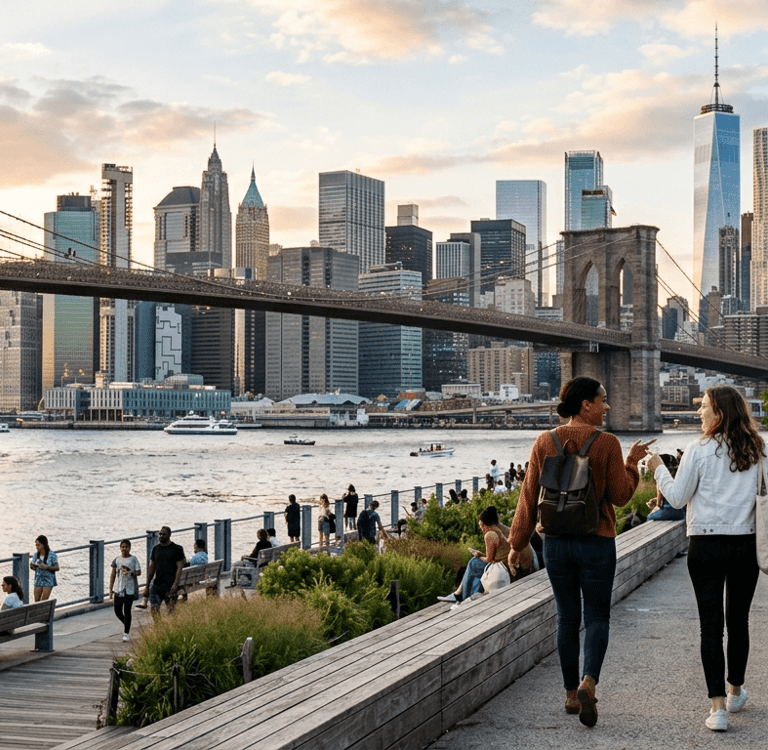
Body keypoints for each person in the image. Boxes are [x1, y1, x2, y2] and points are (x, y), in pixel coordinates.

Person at [508, 376, 652, 727]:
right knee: (598, 616)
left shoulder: (545, 441)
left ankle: (571, 694)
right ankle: (590, 681)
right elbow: (620, 496)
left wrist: (517, 544)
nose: (606, 406)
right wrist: (632, 463)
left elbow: (528, 497)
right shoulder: (606, 444)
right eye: (603, 400)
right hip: (597, 541)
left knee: (566, 617)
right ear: (586, 404)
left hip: (556, 543)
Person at [646, 385, 763, 732]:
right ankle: (735, 691)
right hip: (745, 545)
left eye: (705, 407)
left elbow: (678, 499)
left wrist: (657, 468)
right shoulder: (761, 449)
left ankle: (717, 709)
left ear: (720, 413)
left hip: (706, 546)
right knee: (738, 621)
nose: (699, 412)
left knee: (710, 625)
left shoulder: (697, 450)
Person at [437, 506, 511, 606]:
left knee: (473, 563)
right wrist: (481, 555)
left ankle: (461, 598)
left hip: (501, 567)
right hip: (504, 565)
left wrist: (478, 555)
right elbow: (494, 556)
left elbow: (489, 559)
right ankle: (460, 595)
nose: (482, 529)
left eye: (482, 526)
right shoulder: (497, 531)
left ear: (485, 524)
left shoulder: (489, 534)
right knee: (476, 565)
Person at [142, 526, 185, 616]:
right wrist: (147, 585)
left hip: (170, 585)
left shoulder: (177, 549)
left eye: (164, 534)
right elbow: (152, 568)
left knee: (171, 611)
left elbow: (179, 568)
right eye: (160, 534)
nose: (161, 536)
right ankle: (159, 627)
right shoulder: (155, 549)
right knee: (154, 609)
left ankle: (170, 628)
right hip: (157, 584)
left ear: (169, 535)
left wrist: (175, 584)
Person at [109, 539, 141, 641]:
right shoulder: (117, 560)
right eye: (122, 547)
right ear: (120, 548)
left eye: (126, 547)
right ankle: (127, 624)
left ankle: (126, 633)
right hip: (118, 588)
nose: (124, 549)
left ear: (129, 548)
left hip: (129, 588)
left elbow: (139, 571)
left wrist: (131, 572)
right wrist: (110, 589)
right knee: (117, 610)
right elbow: (113, 574)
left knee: (127, 610)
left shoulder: (133, 559)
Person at [30, 535, 59, 602]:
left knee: (44, 601)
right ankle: (38, 612)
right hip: (38, 579)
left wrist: (46, 567)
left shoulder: (52, 555)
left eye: (38, 545)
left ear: (43, 545)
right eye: (36, 545)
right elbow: (33, 566)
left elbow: (57, 567)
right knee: (37, 601)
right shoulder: (36, 555)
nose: (37, 547)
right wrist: (32, 566)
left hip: (48, 580)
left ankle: (45, 612)